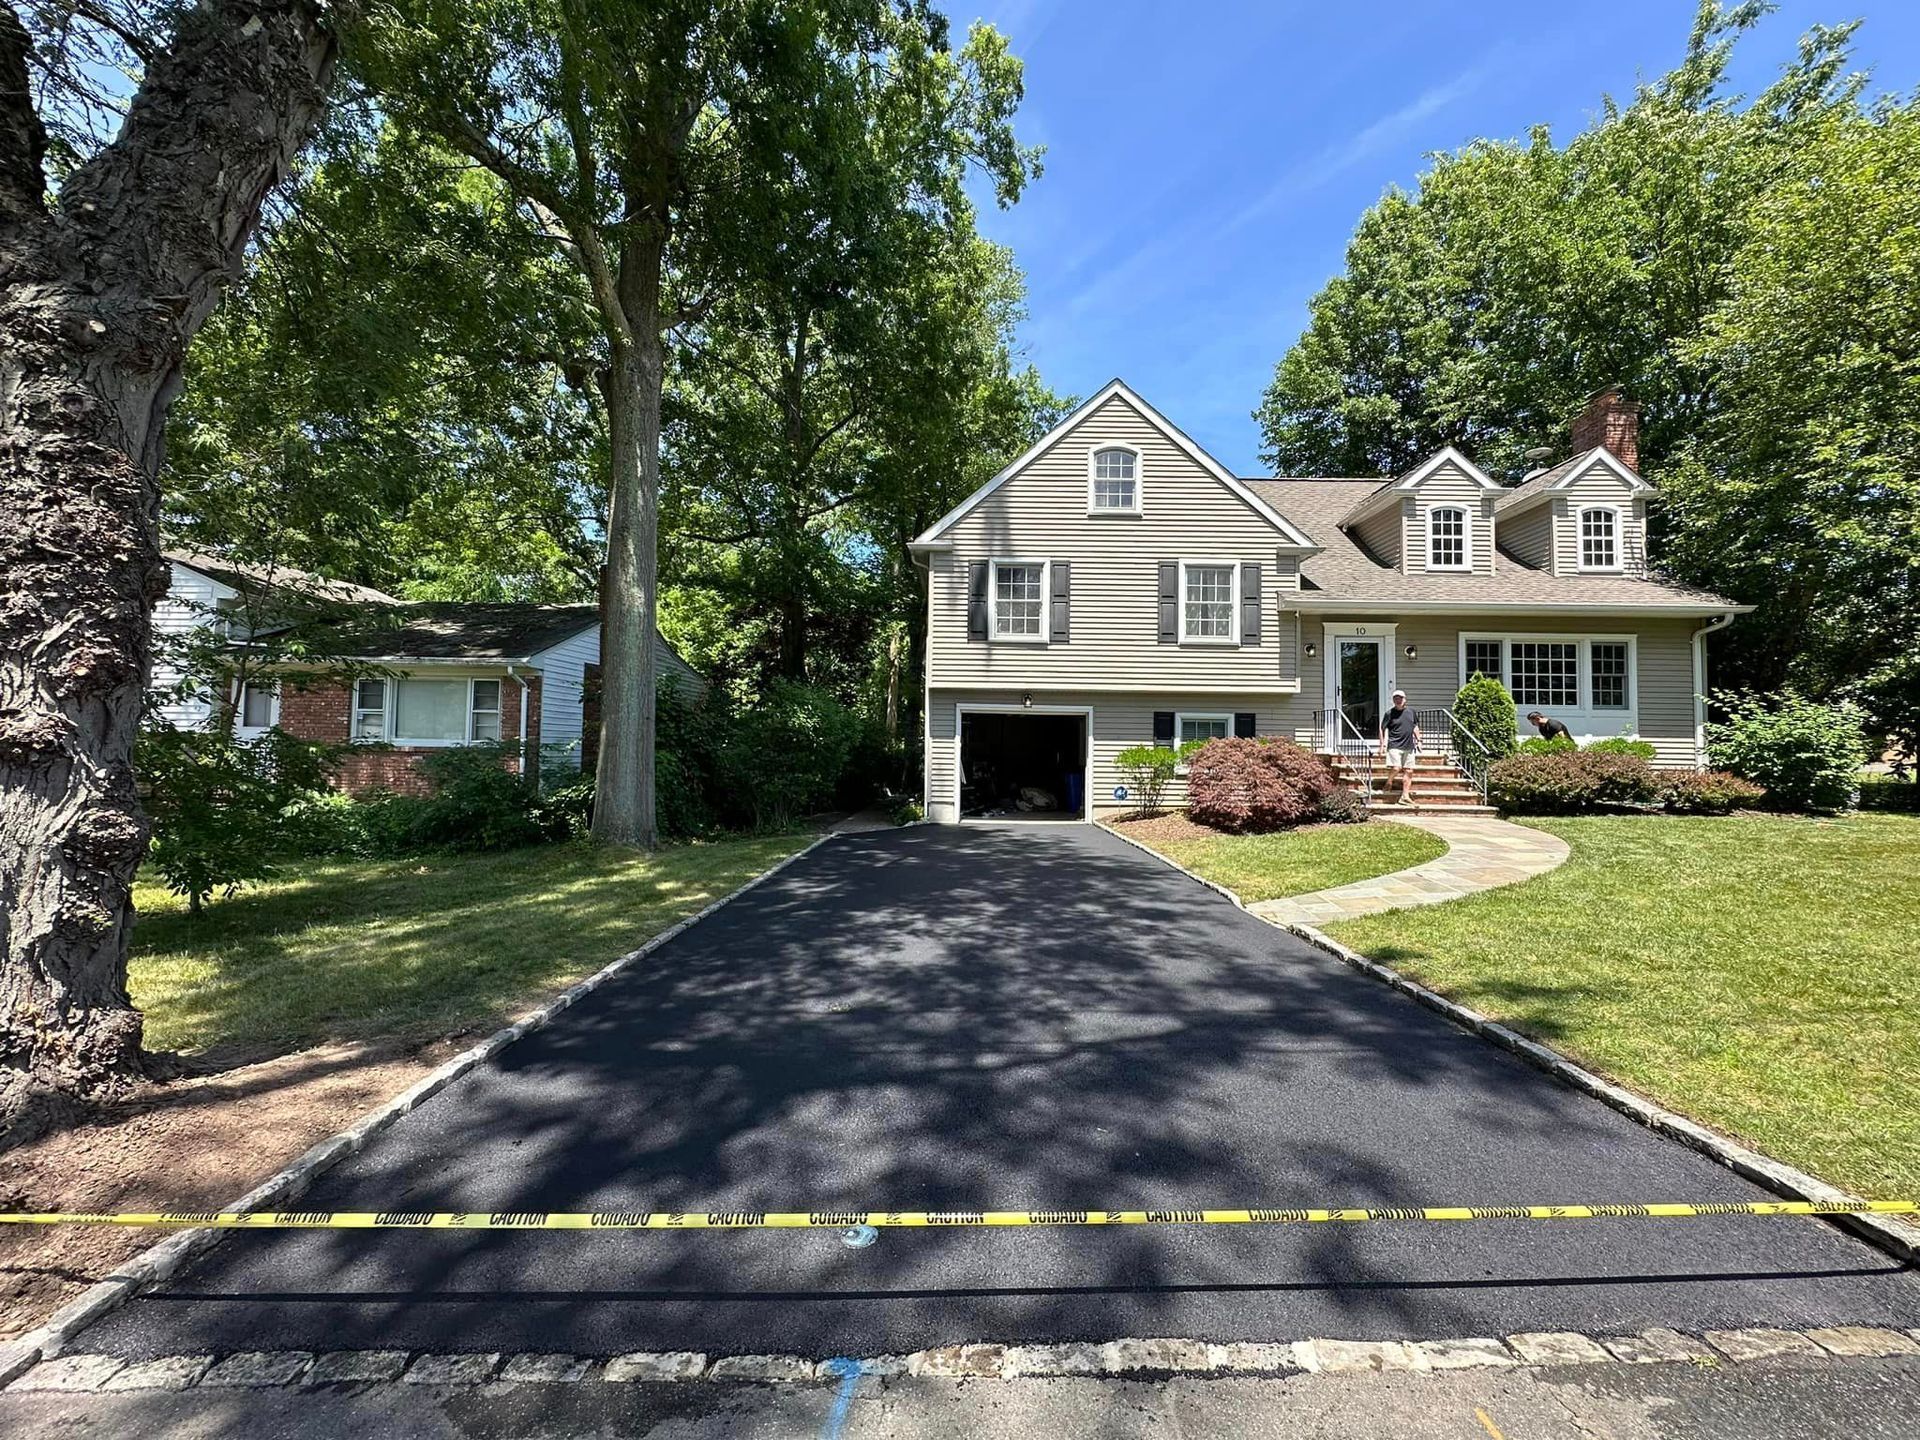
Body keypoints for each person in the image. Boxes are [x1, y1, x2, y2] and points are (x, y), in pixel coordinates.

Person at [1379, 689, 1421, 807]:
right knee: (1397, 768)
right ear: (1393, 700)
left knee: (1409, 770)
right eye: (1396, 698)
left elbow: (1415, 727)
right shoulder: (1389, 714)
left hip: (1409, 745)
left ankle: (1405, 796)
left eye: (1400, 698)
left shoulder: (1411, 712)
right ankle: (1389, 781)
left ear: (1405, 700)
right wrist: (1381, 745)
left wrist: (1419, 740)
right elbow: (1382, 729)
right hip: (1394, 745)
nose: (1398, 700)